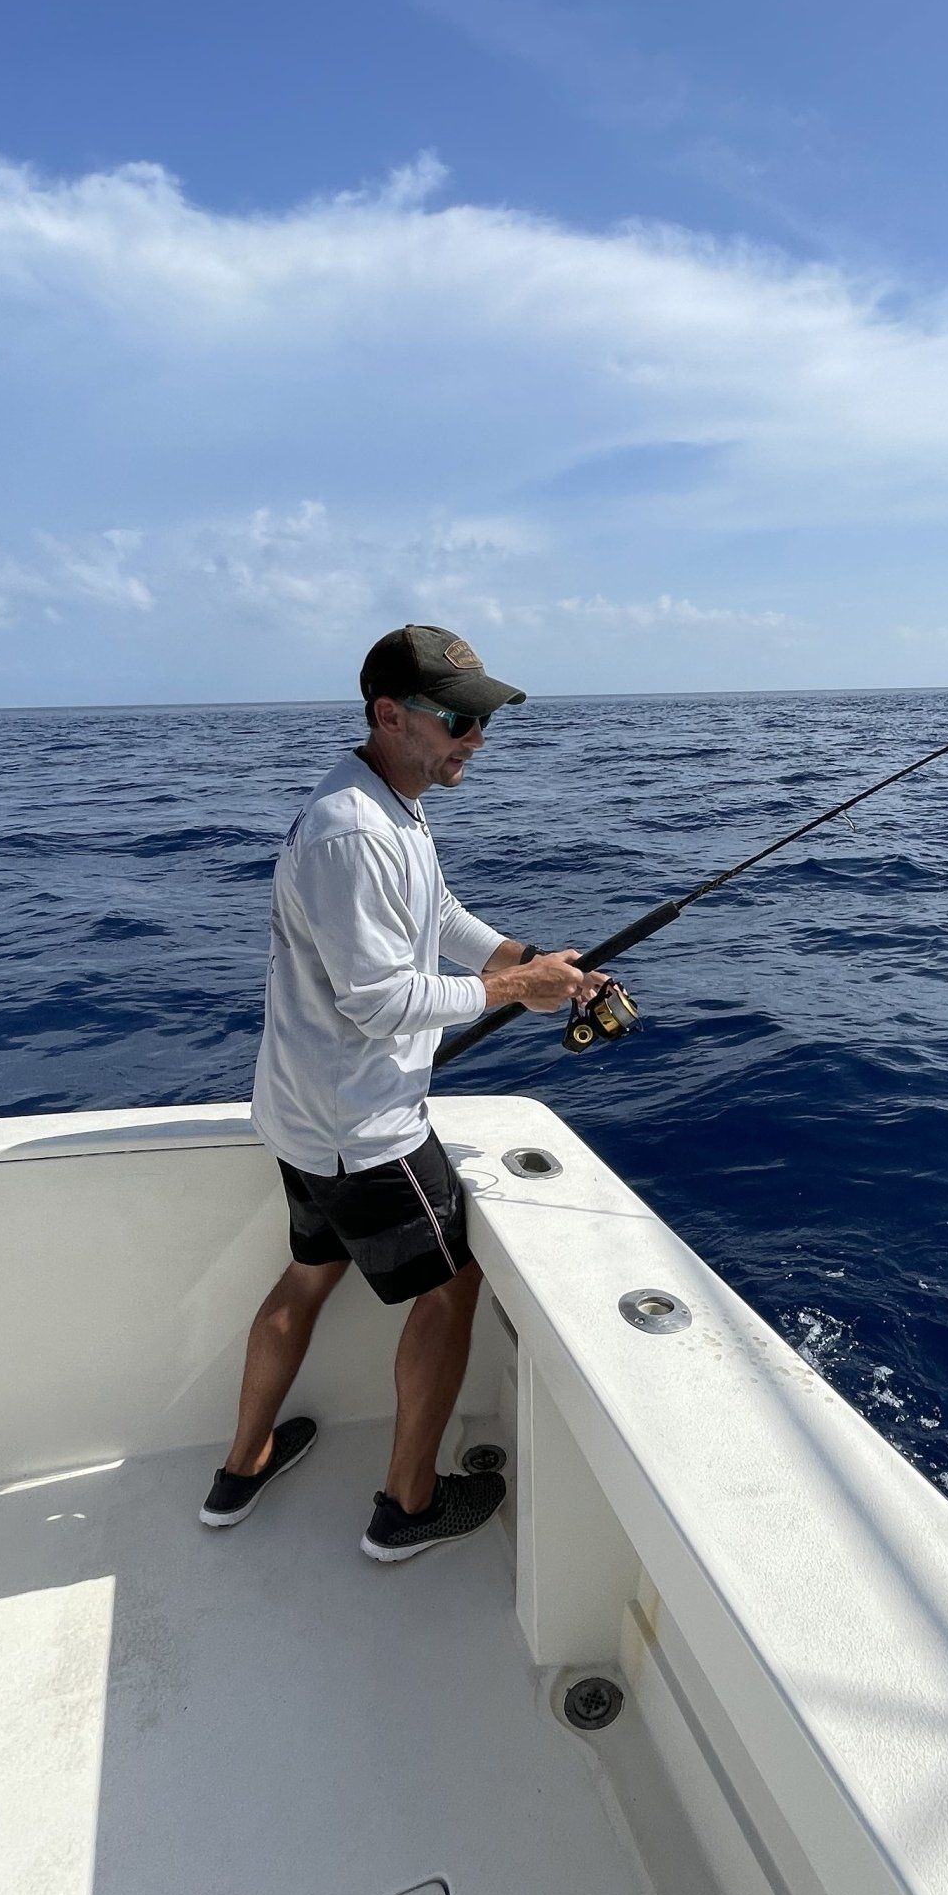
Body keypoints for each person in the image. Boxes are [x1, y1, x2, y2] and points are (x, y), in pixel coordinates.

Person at [200, 625, 598, 1558]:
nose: (477, 739)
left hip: (306, 1117)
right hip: (362, 1129)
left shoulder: (390, 804)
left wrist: (527, 961)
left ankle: (242, 1467)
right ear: (390, 714)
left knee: (309, 1275)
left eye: (484, 719)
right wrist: (514, 993)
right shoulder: (351, 832)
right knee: (453, 1288)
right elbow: (379, 1002)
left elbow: (439, 919)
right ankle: (405, 1507)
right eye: (458, 718)